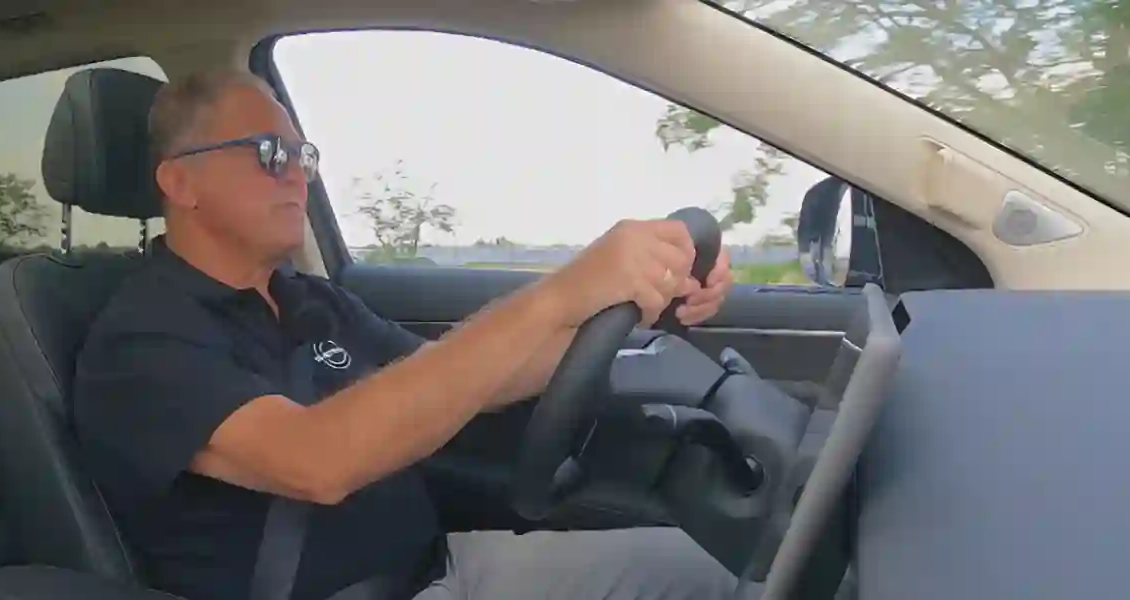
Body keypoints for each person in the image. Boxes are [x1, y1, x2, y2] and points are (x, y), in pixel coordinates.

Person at [73, 68, 738, 600]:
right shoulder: (141, 341)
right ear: (180, 181)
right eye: (270, 153)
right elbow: (316, 460)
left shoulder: (309, 299)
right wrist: (559, 293)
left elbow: (468, 382)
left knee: (733, 570)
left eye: (304, 155)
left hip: (444, 566)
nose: (297, 173)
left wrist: (637, 302)